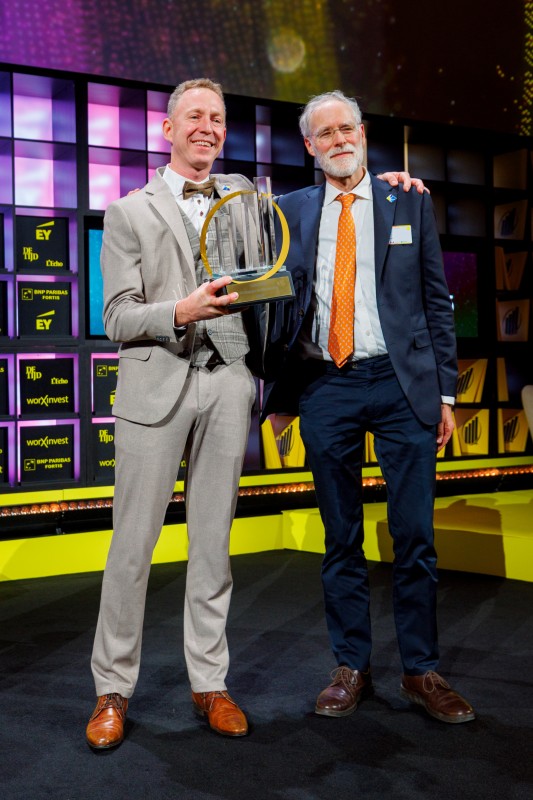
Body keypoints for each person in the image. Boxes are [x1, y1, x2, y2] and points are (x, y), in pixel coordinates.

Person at [85, 77, 425, 750]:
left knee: (213, 548)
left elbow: (323, 203)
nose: (206, 127)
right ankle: (112, 690)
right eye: (194, 117)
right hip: (155, 393)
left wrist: (387, 183)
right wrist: (182, 310)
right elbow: (117, 317)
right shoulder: (128, 212)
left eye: (216, 118)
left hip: (228, 386)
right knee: (131, 551)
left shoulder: (245, 198)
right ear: (168, 129)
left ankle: (210, 684)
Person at [262, 90, 475, 724]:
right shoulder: (288, 210)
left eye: (346, 128)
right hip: (326, 386)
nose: (338, 140)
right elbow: (275, 305)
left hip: (402, 385)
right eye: (324, 133)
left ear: (363, 133)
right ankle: (351, 666)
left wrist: (444, 393)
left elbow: (437, 300)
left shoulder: (407, 199)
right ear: (310, 145)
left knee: (415, 536)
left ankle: (421, 670)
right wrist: (280, 393)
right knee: (341, 537)